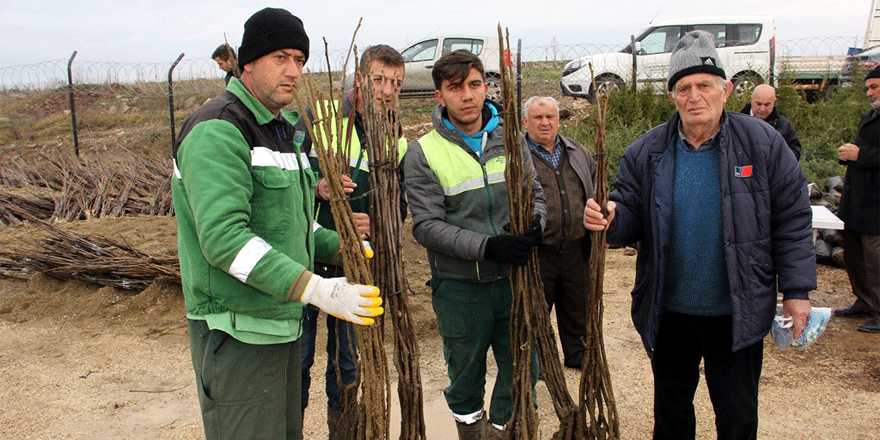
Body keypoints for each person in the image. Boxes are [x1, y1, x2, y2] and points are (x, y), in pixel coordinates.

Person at [582, 31, 816, 440]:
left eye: (704, 85)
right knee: (671, 416)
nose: (695, 96)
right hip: (669, 311)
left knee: (737, 415)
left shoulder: (763, 145)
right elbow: (628, 214)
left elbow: (793, 219)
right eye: (683, 87)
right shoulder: (646, 152)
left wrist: (797, 291)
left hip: (736, 311)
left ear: (726, 90)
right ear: (672, 96)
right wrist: (610, 218)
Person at [171, 8, 383, 440]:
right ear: (248, 61)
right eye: (281, 58)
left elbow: (291, 226)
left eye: (300, 62)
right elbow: (225, 241)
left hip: (279, 323)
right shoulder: (219, 129)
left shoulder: (278, 130)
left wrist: (341, 245)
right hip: (238, 330)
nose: (293, 72)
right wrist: (318, 289)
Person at [403, 49, 545, 439]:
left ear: (486, 87)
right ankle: (470, 431)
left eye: (474, 85)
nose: (467, 96)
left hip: (514, 283)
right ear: (439, 95)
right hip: (460, 287)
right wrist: (488, 247)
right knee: (465, 376)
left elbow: (535, 194)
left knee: (524, 367)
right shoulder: (424, 152)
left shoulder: (512, 140)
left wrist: (537, 224)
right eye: (455, 88)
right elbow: (427, 227)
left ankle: (503, 430)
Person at [295, 44, 407, 439]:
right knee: (298, 356)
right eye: (378, 79)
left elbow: (401, 203)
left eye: (395, 82)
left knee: (347, 362)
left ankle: (340, 432)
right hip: (306, 260)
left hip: (358, 266)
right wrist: (319, 186)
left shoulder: (395, 135)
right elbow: (285, 186)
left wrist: (378, 222)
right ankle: (288, 428)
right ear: (359, 79)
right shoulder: (319, 119)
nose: (387, 90)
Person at [522, 95, 595, 369]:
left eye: (550, 117)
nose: (545, 123)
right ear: (526, 121)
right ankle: (539, 367)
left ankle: (578, 357)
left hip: (576, 247)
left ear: (558, 119)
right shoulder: (517, 155)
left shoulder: (578, 151)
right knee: (537, 312)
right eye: (538, 118)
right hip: (539, 252)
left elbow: (594, 188)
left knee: (577, 308)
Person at [833, 65, 880, 333]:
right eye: (867, 88)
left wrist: (860, 155)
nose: (869, 92)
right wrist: (847, 155)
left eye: (874, 87)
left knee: (875, 261)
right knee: (855, 256)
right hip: (857, 202)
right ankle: (864, 302)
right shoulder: (871, 115)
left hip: (875, 206)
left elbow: (867, 153)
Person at [740, 84, 802, 160]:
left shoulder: (784, 126)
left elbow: (795, 151)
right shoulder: (737, 123)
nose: (762, 109)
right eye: (758, 104)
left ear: (774, 102)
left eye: (767, 105)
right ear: (752, 100)